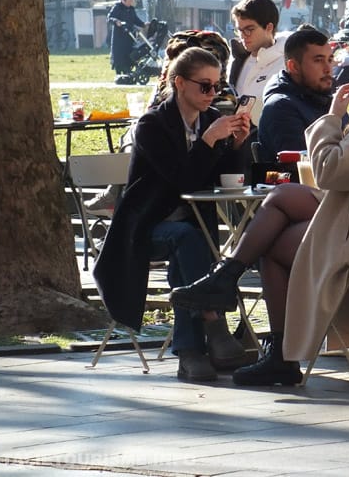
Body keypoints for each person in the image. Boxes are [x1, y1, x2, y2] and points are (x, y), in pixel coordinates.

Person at [171, 46, 349, 386]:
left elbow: (328, 171)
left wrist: (333, 118)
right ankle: (226, 279)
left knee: (272, 248)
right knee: (284, 194)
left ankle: (277, 351)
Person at [93, 47, 253, 382]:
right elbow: (182, 181)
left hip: (193, 228)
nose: (213, 94)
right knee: (188, 239)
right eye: (204, 86)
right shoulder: (152, 125)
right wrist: (208, 142)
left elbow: (223, 178)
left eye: (218, 86)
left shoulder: (210, 120)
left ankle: (190, 351)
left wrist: (237, 144)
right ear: (180, 83)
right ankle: (211, 322)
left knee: (189, 246)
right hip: (146, 226)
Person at [256, 27, 335, 162]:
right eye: (318, 60)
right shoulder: (280, 107)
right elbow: (304, 166)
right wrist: (335, 116)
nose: (328, 69)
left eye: (330, 59)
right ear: (294, 66)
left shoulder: (327, 100)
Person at [228, 0, 287, 128]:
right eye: (239, 30)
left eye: (249, 30)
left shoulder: (286, 65)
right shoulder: (236, 59)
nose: (243, 36)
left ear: (269, 27)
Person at [107, 0, 146, 76]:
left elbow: (135, 19)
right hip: (119, 37)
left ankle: (128, 72)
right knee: (119, 56)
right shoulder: (117, 7)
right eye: (129, 1)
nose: (131, 3)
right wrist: (116, 21)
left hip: (129, 36)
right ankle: (119, 74)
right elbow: (109, 18)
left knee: (129, 55)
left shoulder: (131, 9)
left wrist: (143, 24)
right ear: (124, 0)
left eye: (132, 1)